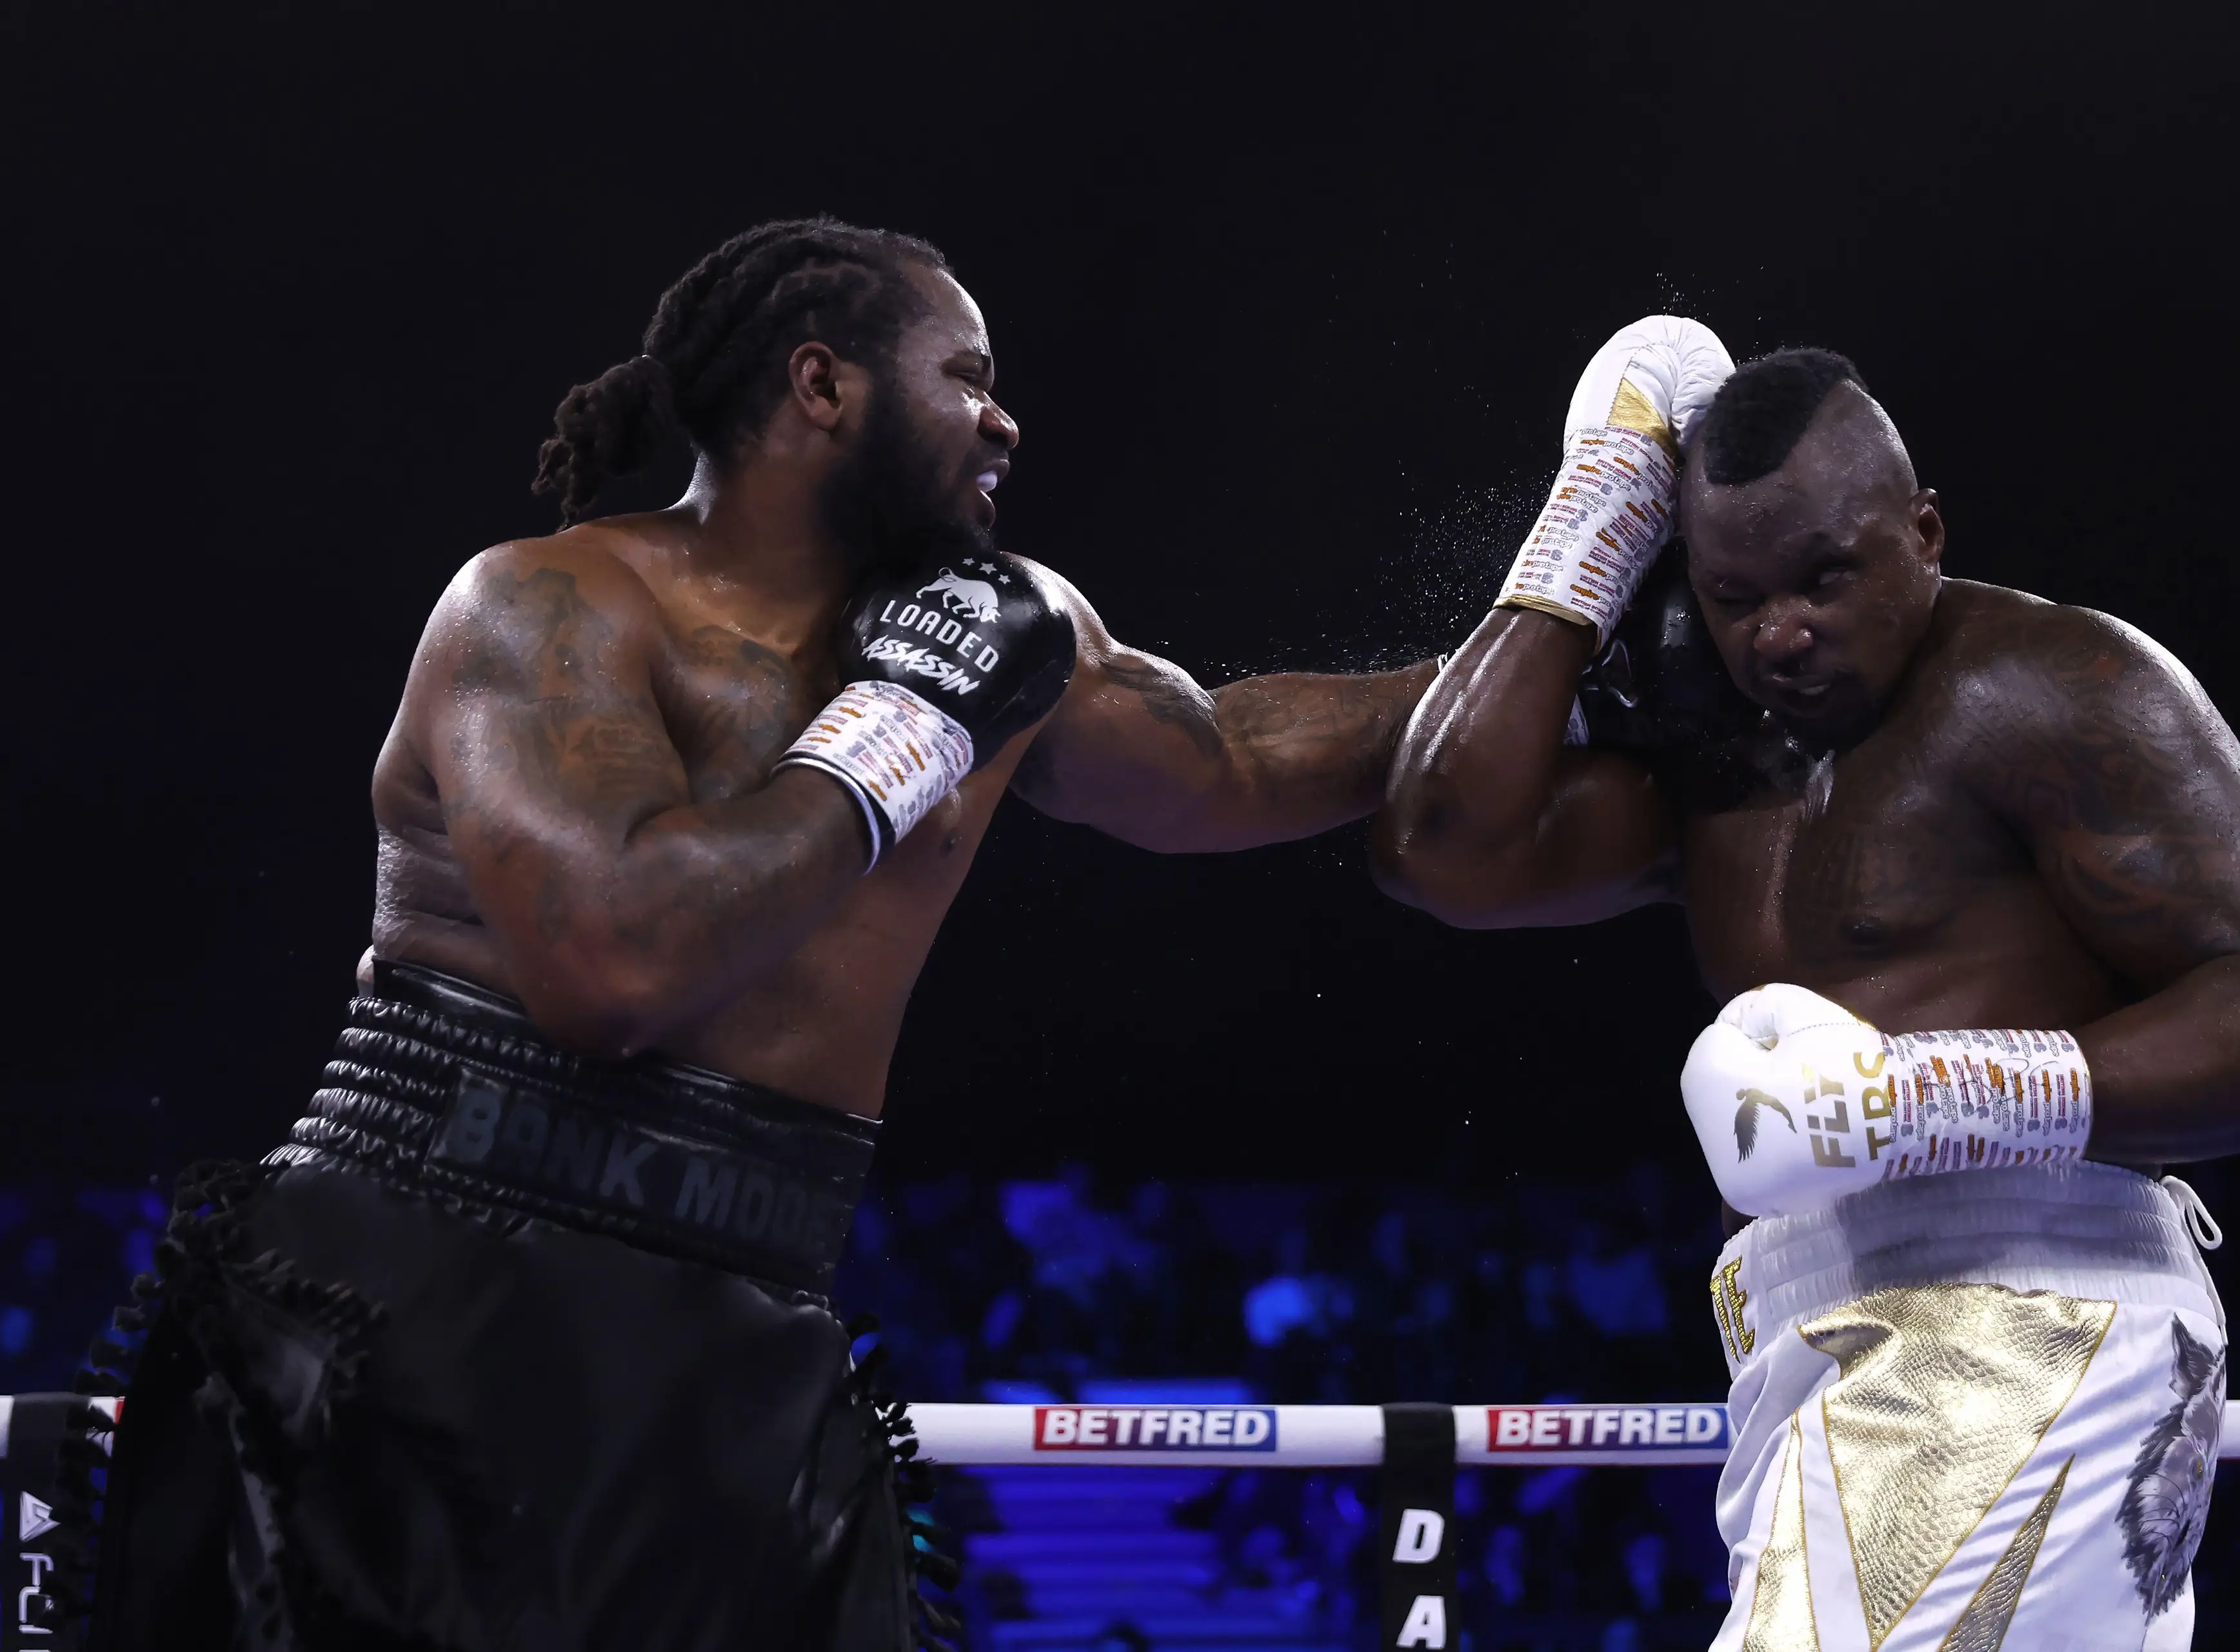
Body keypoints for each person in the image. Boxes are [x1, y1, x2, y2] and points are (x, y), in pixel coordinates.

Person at [67, 216, 1438, 1651]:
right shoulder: (546, 604)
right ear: (822, 385)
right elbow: (618, 965)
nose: (1005, 418)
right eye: (967, 375)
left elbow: (1229, 756)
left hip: (745, 1329)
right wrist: (900, 729)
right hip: (434, 1295)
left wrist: (1563, 628)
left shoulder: (1004, 634)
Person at [1373, 329, 2240, 1649]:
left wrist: (1923, 1098)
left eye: (1826, 578)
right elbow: (1443, 843)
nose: (1783, 632)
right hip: (1814, 1345)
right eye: (1736, 597)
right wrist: (1604, 502)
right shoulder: (1718, 767)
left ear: (1925, 530)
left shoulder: (2053, 687)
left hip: (2028, 1311)